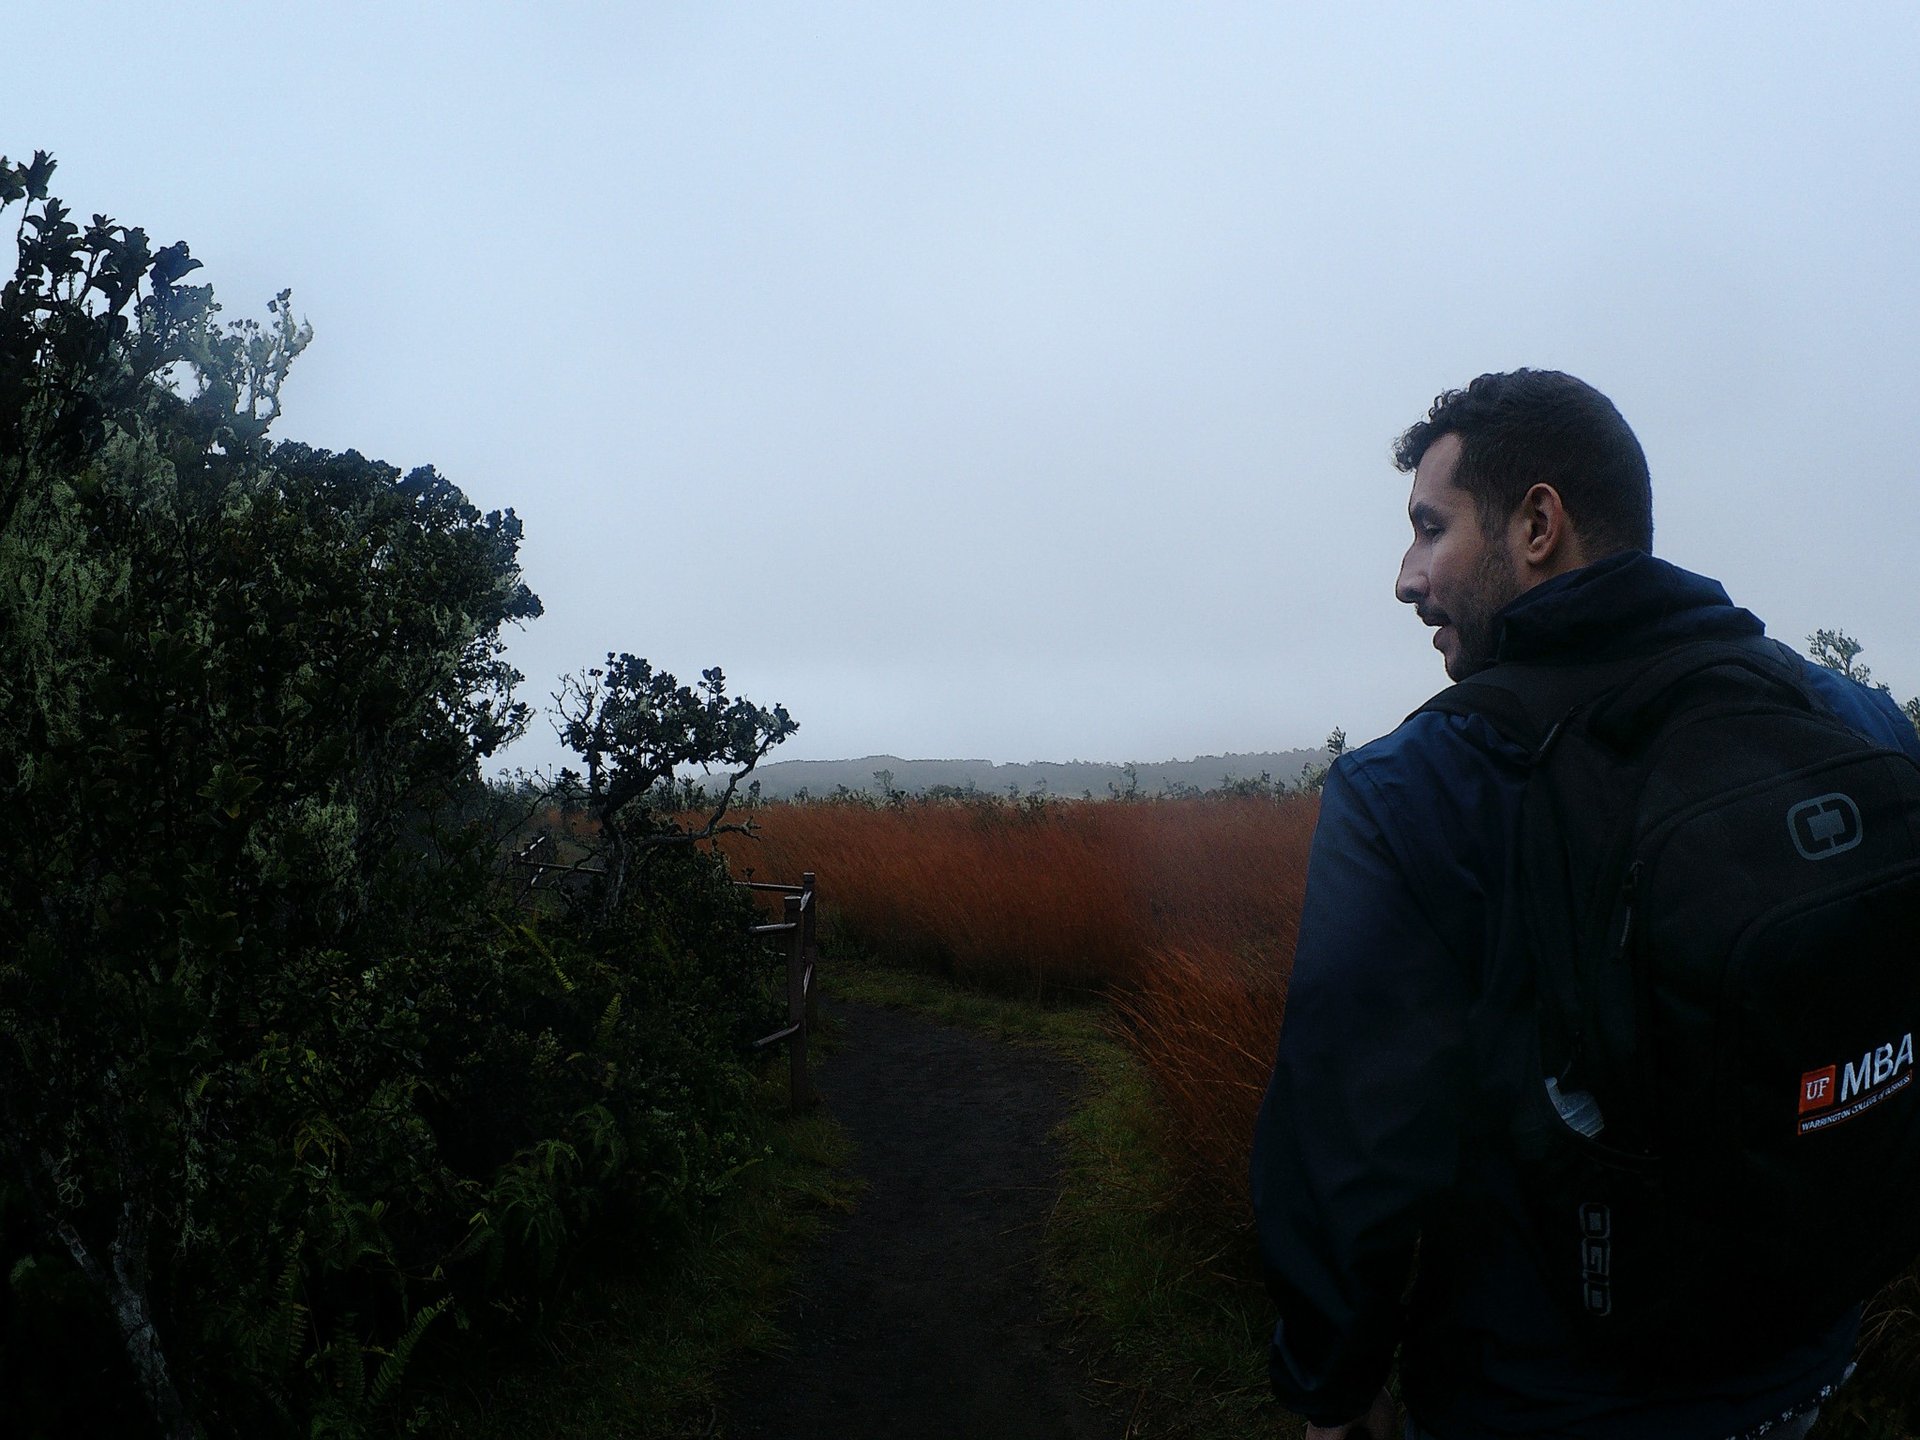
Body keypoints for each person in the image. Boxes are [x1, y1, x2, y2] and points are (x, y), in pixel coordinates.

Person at [1250, 369, 1920, 1440]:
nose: (1405, 577)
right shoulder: (1862, 724)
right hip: (1806, 1362)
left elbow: (1353, 1148)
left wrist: (1330, 1385)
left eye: (1430, 528)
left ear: (1538, 522)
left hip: (1542, 1399)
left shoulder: (1416, 787)